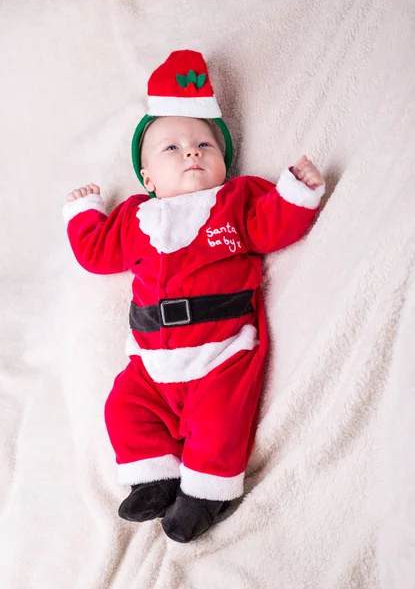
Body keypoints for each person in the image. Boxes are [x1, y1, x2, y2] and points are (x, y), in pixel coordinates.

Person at [62, 50, 325, 543]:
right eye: (172, 149)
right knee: (124, 406)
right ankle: (155, 477)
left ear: (224, 161)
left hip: (219, 350)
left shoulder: (235, 200)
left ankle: (208, 492)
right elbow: (96, 254)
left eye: (205, 143)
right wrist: (85, 214)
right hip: (151, 361)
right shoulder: (135, 219)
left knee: (221, 417)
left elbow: (271, 227)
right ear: (147, 181)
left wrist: (296, 193)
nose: (191, 152)